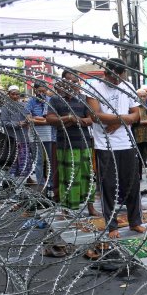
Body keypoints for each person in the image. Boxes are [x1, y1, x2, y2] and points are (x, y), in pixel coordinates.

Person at [86, 58, 145, 238]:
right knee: (109, 186)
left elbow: (137, 114)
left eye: (121, 77)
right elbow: (95, 115)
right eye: (114, 78)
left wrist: (116, 121)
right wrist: (123, 119)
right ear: (106, 73)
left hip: (126, 142)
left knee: (132, 184)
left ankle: (135, 222)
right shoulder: (94, 87)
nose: (117, 81)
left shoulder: (126, 86)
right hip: (105, 144)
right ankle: (111, 226)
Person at [46, 71, 98, 216]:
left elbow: (91, 119)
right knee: (67, 176)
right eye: (68, 81)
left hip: (84, 143)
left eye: (75, 82)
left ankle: (91, 207)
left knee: (87, 175)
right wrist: (68, 117)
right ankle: (66, 208)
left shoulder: (83, 98)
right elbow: (49, 119)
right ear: (62, 82)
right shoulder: (55, 100)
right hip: (65, 145)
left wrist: (77, 121)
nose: (72, 84)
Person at [25, 81, 54, 190]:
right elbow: (28, 119)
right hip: (35, 135)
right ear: (35, 90)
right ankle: (41, 184)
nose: (42, 93)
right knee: (39, 160)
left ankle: (50, 182)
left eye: (44, 91)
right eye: (40, 91)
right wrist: (45, 120)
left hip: (49, 135)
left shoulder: (50, 101)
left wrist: (36, 119)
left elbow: (53, 119)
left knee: (50, 160)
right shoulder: (30, 102)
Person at [2, 85, 31, 179]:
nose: (15, 96)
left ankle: (24, 180)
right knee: (13, 160)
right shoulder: (5, 107)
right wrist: (18, 124)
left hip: (23, 138)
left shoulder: (24, 106)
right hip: (12, 139)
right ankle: (13, 181)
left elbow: (28, 116)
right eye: (13, 94)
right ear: (8, 95)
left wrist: (28, 119)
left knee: (24, 160)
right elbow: (4, 122)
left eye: (17, 94)